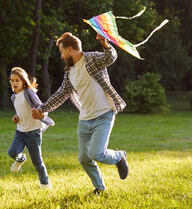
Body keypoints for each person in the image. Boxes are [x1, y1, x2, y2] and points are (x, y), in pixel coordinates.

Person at [32, 32, 129, 195]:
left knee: (96, 153)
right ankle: (100, 188)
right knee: (84, 158)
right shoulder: (69, 71)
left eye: (62, 52)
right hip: (85, 119)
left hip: (104, 114)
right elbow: (62, 93)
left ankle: (119, 157)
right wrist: (43, 109)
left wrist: (105, 43)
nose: (62, 56)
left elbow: (110, 57)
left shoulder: (92, 59)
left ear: (70, 49)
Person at [8, 67, 55, 189]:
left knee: (37, 161)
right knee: (12, 152)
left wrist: (40, 113)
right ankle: (21, 159)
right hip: (21, 131)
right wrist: (16, 117)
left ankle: (45, 183)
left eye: (17, 80)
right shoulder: (13, 97)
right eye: (12, 80)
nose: (14, 83)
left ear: (23, 81)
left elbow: (41, 107)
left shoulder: (28, 92)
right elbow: (21, 111)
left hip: (33, 132)